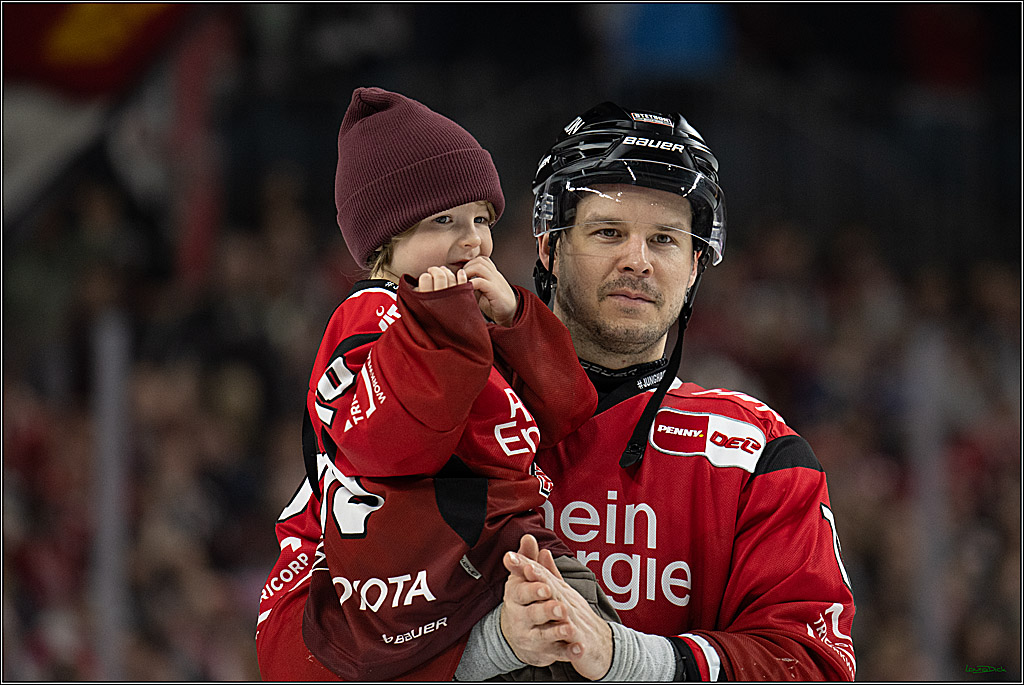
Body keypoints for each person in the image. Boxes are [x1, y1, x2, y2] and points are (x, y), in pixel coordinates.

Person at [451, 102, 857, 681]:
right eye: (609, 232)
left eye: (665, 239)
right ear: (549, 249)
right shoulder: (440, 407)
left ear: (693, 268)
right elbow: (327, 639)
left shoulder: (758, 454)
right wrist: (495, 646)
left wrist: (623, 657)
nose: (637, 261)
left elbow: (812, 666)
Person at [254, 87, 616, 681]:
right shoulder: (372, 314)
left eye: (481, 219)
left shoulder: (469, 319)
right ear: (386, 241)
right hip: (429, 581)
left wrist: (516, 324)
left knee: (599, 649)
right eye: (443, 220)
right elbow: (396, 443)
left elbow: (568, 412)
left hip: (503, 553)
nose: (472, 240)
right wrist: (451, 326)